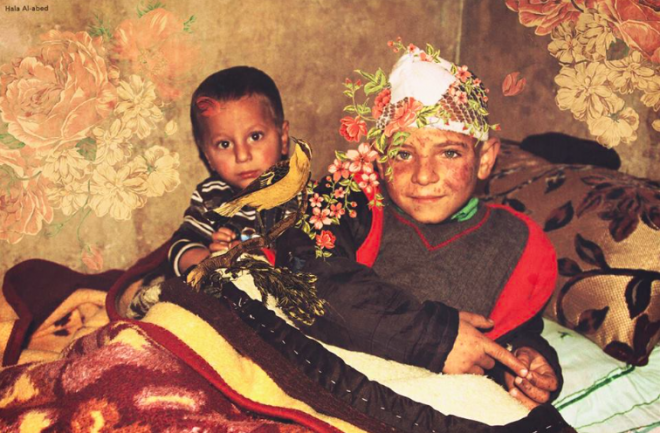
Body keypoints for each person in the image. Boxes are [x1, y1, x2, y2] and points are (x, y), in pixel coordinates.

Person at [277, 40, 562, 409]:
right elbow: (309, 277)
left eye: (449, 152)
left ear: (485, 159)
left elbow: (514, 327)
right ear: (380, 159)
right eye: (403, 153)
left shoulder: (515, 241)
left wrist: (525, 359)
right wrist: (434, 338)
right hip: (337, 383)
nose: (424, 175)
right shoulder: (349, 200)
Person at [169, 66, 290, 277]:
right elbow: (179, 247)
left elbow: (316, 259)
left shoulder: (301, 196)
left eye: (255, 136)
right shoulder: (210, 197)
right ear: (208, 156)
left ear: (283, 138)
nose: (242, 156)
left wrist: (261, 256)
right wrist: (210, 259)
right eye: (224, 144)